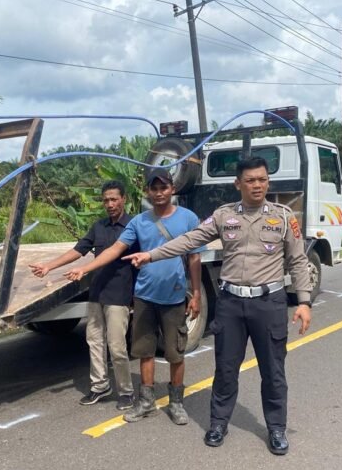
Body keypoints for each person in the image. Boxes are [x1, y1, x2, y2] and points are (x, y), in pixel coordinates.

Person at [124, 157, 312, 454]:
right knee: (225, 369)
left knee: (273, 371)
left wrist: (303, 301)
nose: (257, 185)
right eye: (250, 180)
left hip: (269, 304)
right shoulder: (224, 216)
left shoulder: (284, 217)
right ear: (238, 184)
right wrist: (152, 255)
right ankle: (218, 423)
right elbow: (190, 240)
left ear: (268, 182)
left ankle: (277, 428)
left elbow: (299, 261)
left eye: (262, 179)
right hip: (231, 304)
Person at [65, 168, 203, 426]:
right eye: (154, 188)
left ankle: (176, 403)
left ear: (172, 189)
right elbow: (115, 250)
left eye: (163, 187)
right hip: (144, 297)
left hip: (174, 298)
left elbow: (194, 258)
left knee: (175, 353)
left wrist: (196, 294)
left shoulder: (188, 218)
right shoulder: (138, 222)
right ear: (148, 191)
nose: (159, 193)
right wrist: (85, 268)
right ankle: (146, 402)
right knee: (144, 352)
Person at [29, 181, 137, 410]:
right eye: (106, 200)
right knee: (94, 341)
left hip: (119, 294)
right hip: (97, 293)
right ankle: (100, 385)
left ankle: (126, 391)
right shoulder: (99, 226)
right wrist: (49, 266)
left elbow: (121, 255)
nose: (109, 204)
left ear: (124, 199)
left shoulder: (133, 226)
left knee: (117, 346)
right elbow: (78, 250)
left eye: (114, 199)